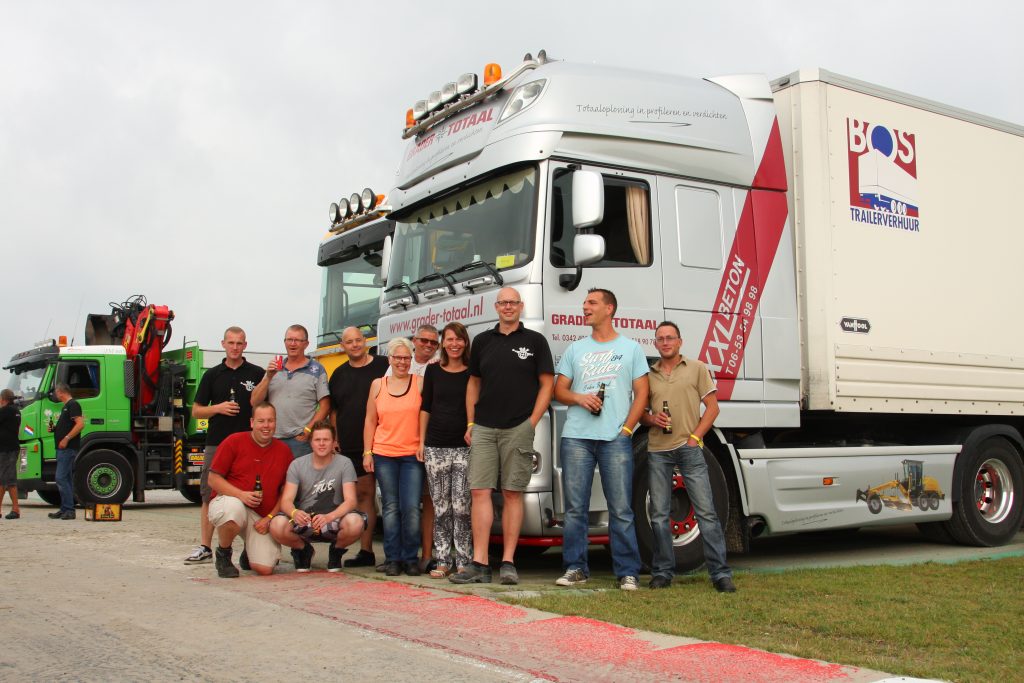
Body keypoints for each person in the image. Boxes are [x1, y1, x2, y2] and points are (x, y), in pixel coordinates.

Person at [450, 287, 554, 585]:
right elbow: (473, 385)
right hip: (483, 428)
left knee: (512, 493)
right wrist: (470, 423)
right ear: (496, 307)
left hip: (518, 428)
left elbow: (547, 384)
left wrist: (531, 423)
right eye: (503, 303)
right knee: (480, 492)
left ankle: (508, 561)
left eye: (513, 303)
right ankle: (480, 563)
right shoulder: (482, 341)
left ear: (521, 307)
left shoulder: (535, 341)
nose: (508, 307)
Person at [553, 288, 649, 591]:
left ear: (609, 309)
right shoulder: (575, 349)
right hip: (577, 438)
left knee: (620, 508)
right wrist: (580, 398)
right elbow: (559, 391)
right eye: (584, 303)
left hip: (615, 438)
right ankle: (575, 568)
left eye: (591, 302)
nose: (584, 307)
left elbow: (642, 393)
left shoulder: (631, 348)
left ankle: (627, 572)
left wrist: (627, 430)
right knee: (575, 509)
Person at [640, 321, 736, 593]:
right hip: (658, 450)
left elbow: (713, 408)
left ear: (680, 341)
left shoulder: (697, 368)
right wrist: (651, 418)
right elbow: (642, 414)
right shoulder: (650, 375)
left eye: (670, 338)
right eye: (661, 339)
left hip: (689, 448)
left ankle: (720, 574)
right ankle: (662, 572)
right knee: (659, 515)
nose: (666, 342)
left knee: (706, 512)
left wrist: (696, 438)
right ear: (656, 344)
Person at [184, 326, 265, 565]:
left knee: (250, 495)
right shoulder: (212, 375)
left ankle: (249, 549)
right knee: (209, 494)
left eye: (239, 343)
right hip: (217, 443)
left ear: (245, 346)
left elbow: (263, 407)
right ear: (223, 344)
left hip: (247, 445)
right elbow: (197, 410)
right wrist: (218, 408)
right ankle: (205, 547)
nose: (235, 347)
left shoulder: (257, 373)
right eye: (231, 343)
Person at [207, 402, 293, 578]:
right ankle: (223, 554)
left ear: (276, 422)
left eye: (270, 421)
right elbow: (213, 479)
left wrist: (270, 518)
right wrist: (241, 495)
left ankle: (249, 551)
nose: (266, 426)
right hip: (231, 502)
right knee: (233, 509)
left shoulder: (284, 451)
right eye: (261, 421)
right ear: (252, 422)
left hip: (260, 517)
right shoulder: (233, 441)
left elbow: (286, 491)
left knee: (265, 569)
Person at [327, 326, 389, 568]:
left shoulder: (384, 365)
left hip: (383, 442)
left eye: (358, 340)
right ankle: (366, 551)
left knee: (392, 500)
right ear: (343, 346)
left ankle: (399, 554)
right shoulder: (339, 374)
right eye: (349, 342)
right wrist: (335, 437)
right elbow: (334, 410)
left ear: (365, 341)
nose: (354, 345)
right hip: (351, 445)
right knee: (364, 496)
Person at [270, 421, 365, 572]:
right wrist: (295, 513)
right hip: (305, 520)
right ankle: (303, 549)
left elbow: (351, 501)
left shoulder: (344, 463)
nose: (321, 444)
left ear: (334, 442)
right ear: (311, 442)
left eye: (326, 440)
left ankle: (337, 550)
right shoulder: (297, 464)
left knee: (356, 522)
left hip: (334, 519)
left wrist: (329, 517)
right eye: (317, 440)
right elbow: (286, 500)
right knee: (277, 525)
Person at [363, 337, 423, 577]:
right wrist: (368, 451)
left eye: (406, 358)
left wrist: (424, 444)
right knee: (390, 507)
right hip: (384, 454)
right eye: (397, 357)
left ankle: (410, 557)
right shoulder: (378, 385)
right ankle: (392, 559)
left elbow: (426, 416)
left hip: (411, 455)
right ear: (390, 359)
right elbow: (370, 420)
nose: (401, 362)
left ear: (411, 360)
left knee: (411, 508)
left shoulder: (420, 383)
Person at [418, 322, 472, 578]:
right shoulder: (433, 372)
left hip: (464, 448)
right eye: (449, 339)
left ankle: (463, 560)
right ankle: (442, 560)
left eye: (459, 339)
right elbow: (425, 407)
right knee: (441, 507)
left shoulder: (473, 373)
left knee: (461, 506)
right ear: (443, 343)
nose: (454, 344)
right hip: (435, 447)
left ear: (465, 343)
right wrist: (421, 442)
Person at [387, 323, 440, 570]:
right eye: (423, 341)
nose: (428, 345)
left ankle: (426, 555)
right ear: (414, 341)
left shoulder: (438, 366)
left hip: (429, 442)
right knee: (399, 503)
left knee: (428, 500)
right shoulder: (395, 366)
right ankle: (395, 556)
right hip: (399, 444)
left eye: (433, 342)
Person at [250, 324, 330, 458]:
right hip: (272, 438)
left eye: (297, 340)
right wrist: (268, 376)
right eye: (289, 340)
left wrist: (308, 430)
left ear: (306, 344)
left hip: (300, 441)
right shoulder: (275, 368)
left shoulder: (317, 369)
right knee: (274, 478)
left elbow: (325, 405)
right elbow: (254, 401)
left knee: (300, 479)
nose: (292, 344)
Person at [49, 383, 84, 520]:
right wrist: (55, 430)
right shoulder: (66, 407)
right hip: (62, 448)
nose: (56, 395)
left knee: (61, 477)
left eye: (56, 392)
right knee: (66, 478)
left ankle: (69, 509)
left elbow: (80, 424)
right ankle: (65, 508)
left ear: (60, 392)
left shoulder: (73, 405)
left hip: (67, 448)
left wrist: (66, 438)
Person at [0, 389, 22, 519]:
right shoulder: (16, 411)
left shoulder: (5, 411)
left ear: (3, 399)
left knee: (8, 480)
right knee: (4, 479)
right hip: (12, 447)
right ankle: (9, 508)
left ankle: (16, 509)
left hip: (6, 449)